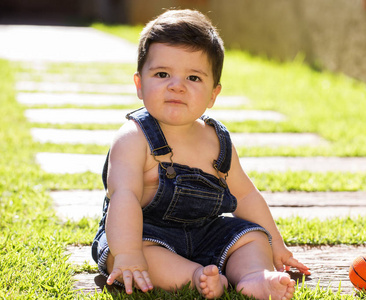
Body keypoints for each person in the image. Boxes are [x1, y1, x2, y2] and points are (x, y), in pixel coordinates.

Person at [91, 9, 310, 300]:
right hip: (144, 234)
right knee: (132, 255)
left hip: (205, 233)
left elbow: (245, 196)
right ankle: (196, 278)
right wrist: (128, 253)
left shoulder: (217, 140)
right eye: (162, 74)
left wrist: (276, 246)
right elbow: (124, 197)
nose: (176, 85)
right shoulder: (134, 137)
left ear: (213, 95)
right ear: (139, 84)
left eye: (193, 77)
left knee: (252, 236)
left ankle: (253, 276)